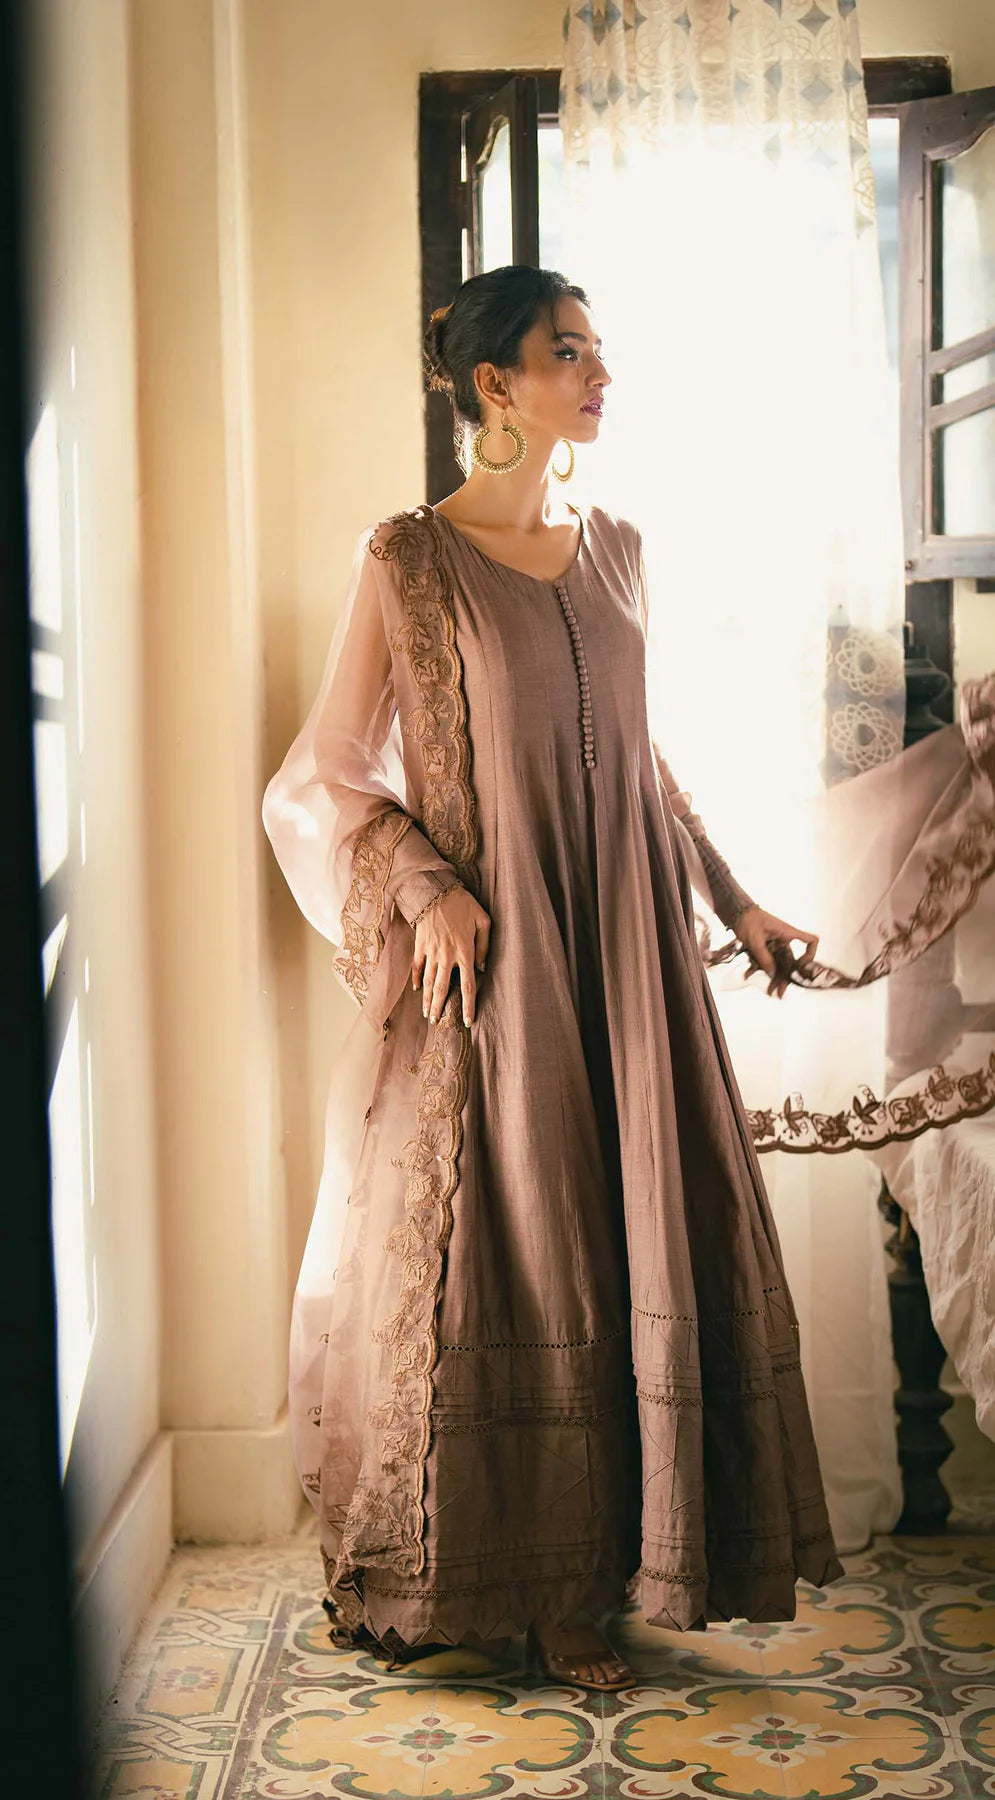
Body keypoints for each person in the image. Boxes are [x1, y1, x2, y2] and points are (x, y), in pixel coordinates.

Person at [261, 264, 847, 1692]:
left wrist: (737, 901)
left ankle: (622, 1568)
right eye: (569, 352)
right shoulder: (408, 559)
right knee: (529, 1249)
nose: (599, 375)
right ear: (493, 385)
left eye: (596, 352)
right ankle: (533, 1585)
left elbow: (640, 761)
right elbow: (328, 769)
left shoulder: (620, 548)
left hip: (632, 956)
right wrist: (428, 887)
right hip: (500, 960)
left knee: (636, 1230)